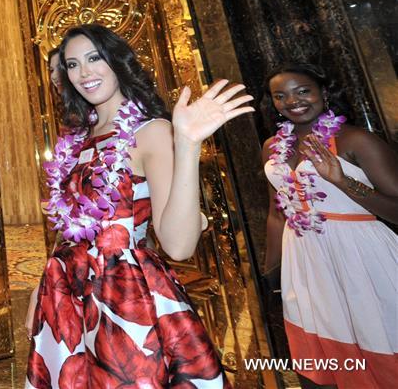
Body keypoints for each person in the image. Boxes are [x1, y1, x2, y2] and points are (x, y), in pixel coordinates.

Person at [25, 24, 251, 388]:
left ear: (117, 60)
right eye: (72, 64)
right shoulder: (77, 139)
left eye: (94, 58)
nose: (84, 73)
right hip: (66, 291)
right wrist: (43, 287)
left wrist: (188, 143)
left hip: (125, 297)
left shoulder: (151, 132)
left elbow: (178, 245)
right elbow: (72, 227)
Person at [263, 62, 398, 388]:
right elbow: (276, 212)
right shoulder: (272, 147)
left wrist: (342, 181)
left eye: (302, 91)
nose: (292, 101)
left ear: (324, 93)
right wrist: (270, 273)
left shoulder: (355, 140)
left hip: (362, 257)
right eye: (280, 96)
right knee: (320, 355)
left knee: (378, 337)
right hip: (305, 261)